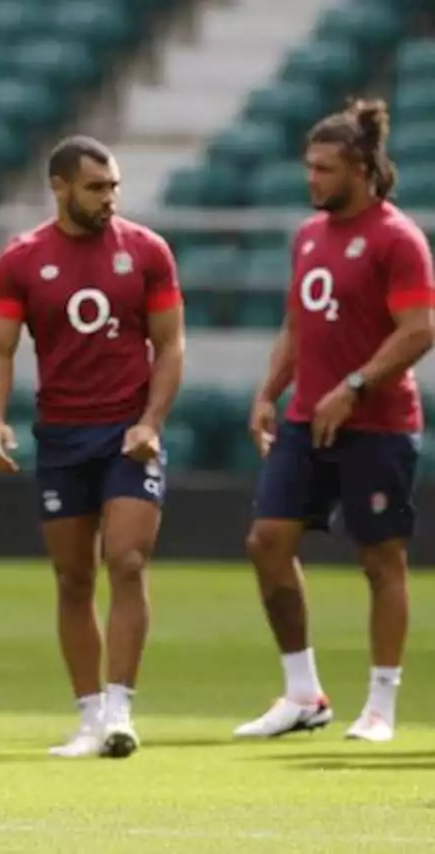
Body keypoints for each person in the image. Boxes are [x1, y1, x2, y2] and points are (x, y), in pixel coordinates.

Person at [0, 136, 184, 760]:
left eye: (114, 186)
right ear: (61, 187)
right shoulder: (21, 260)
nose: (109, 199)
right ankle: (89, 716)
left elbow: (171, 345)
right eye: (97, 187)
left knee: (125, 561)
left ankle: (120, 709)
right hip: (61, 436)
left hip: (127, 433)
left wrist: (152, 419)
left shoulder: (147, 252)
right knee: (73, 577)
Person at [237, 98, 434, 744]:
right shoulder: (308, 237)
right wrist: (270, 390)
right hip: (304, 418)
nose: (312, 179)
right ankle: (303, 692)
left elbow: (419, 329)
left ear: (360, 168)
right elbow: (298, 323)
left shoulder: (397, 239)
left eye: (324, 169)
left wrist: (354, 386)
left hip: (377, 423)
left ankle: (380, 704)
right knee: (268, 541)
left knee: (381, 561)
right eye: (308, 167)